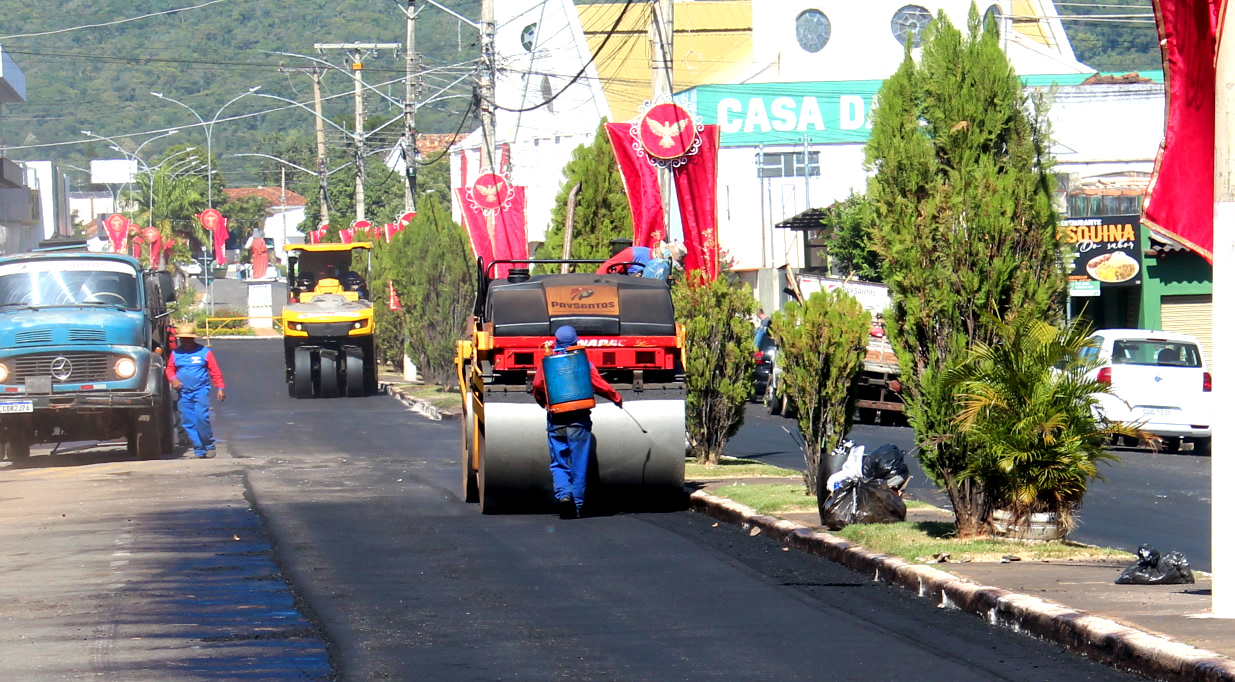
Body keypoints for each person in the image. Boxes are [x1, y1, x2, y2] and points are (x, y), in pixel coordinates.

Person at [531, 325, 623, 519]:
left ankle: (564, 496)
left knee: (558, 462)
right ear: (576, 341)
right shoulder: (583, 362)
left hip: (556, 420)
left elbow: (538, 384)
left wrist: (543, 402)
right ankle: (578, 505)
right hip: (579, 422)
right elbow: (599, 385)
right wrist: (616, 398)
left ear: (555, 341)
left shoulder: (547, 362)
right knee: (579, 464)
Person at [165, 323, 226, 459]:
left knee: (201, 418)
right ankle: (199, 448)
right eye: (182, 339)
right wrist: (173, 379)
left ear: (193, 339)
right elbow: (169, 369)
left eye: (187, 339)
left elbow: (215, 371)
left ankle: (209, 444)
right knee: (187, 421)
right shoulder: (176, 353)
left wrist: (220, 388)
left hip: (201, 390)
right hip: (183, 393)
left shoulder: (205, 352)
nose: (184, 342)